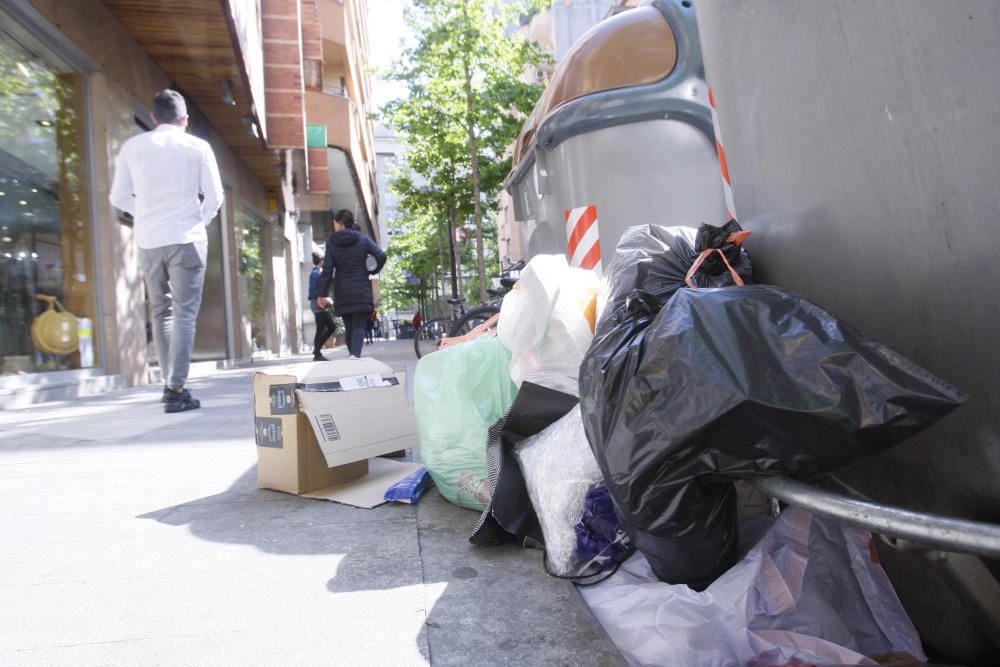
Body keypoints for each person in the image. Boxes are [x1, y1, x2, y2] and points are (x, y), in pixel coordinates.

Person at [109, 89, 223, 413]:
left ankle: (169, 383)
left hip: (148, 239)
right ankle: (176, 388)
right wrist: (195, 221)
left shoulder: (133, 146)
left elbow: (118, 197)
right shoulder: (198, 146)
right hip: (186, 237)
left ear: (154, 118)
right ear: (185, 120)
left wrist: (144, 212)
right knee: (185, 312)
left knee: (161, 312)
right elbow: (214, 198)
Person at [314, 209, 386, 359]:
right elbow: (381, 255)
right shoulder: (363, 239)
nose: (333, 225)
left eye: (334, 222)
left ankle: (353, 356)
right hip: (361, 289)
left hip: (343, 290)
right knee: (359, 325)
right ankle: (355, 357)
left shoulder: (332, 243)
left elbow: (327, 270)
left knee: (349, 327)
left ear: (340, 223)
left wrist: (321, 294)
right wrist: (372, 270)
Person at [308, 252, 336, 361]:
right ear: (321, 261)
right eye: (324, 260)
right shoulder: (315, 273)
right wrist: (321, 298)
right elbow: (313, 290)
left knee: (325, 328)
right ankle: (317, 352)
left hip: (319, 304)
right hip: (317, 304)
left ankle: (317, 352)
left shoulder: (318, 272)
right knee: (327, 328)